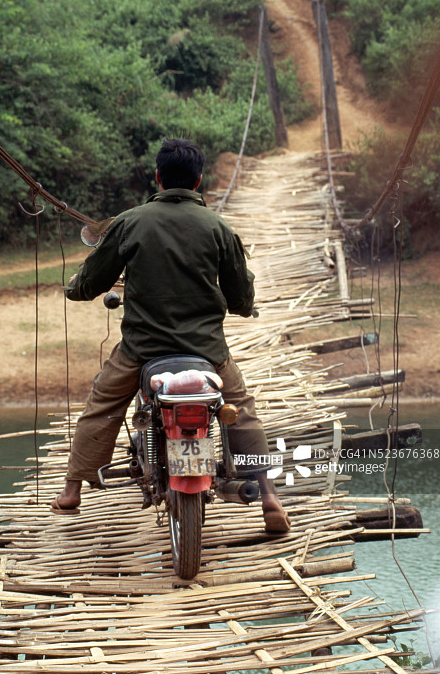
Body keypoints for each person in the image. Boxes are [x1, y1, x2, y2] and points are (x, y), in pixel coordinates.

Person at [52, 138, 291, 533]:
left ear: (158, 177)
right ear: (198, 180)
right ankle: (269, 496)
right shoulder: (218, 227)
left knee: (102, 404)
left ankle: (72, 490)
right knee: (242, 411)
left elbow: (91, 281)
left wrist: (74, 289)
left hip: (141, 349)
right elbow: (240, 296)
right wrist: (243, 306)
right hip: (207, 351)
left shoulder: (129, 222)